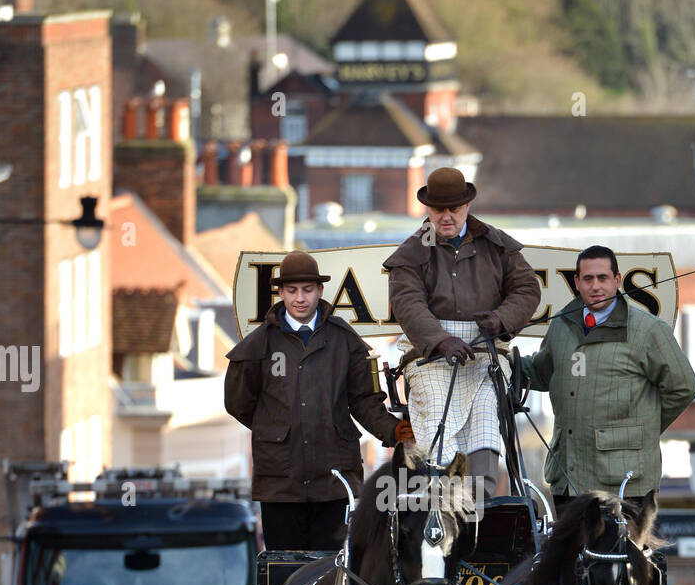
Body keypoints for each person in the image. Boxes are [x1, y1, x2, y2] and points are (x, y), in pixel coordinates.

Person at [225, 252, 412, 550]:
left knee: (332, 570)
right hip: (280, 483)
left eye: (307, 290)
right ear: (280, 292)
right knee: (284, 574)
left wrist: (393, 431)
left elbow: (363, 400)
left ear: (320, 291)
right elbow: (238, 402)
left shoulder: (345, 341)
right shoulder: (260, 343)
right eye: (292, 290)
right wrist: (274, 429)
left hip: (334, 480)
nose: (300, 298)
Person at [382, 167, 541, 502]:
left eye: (453, 208)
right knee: (436, 409)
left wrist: (500, 319)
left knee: (486, 410)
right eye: (439, 209)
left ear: (467, 206)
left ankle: (478, 499)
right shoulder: (411, 253)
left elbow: (527, 290)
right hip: (431, 358)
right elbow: (407, 303)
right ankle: (441, 497)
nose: (446, 216)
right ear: (429, 210)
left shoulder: (497, 246)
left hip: (485, 353)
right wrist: (440, 340)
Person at [519, 244, 695, 511]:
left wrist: (641, 432)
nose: (596, 286)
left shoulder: (648, 330)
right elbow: (543, 373)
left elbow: (684, 387)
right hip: (568, 478)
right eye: (588, 279)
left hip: (625, 481)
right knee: (570, 553)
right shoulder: (560, 325)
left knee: (621, 553)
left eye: (603, 278)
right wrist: (503, 361)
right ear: (577, 283)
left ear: (617, 280)